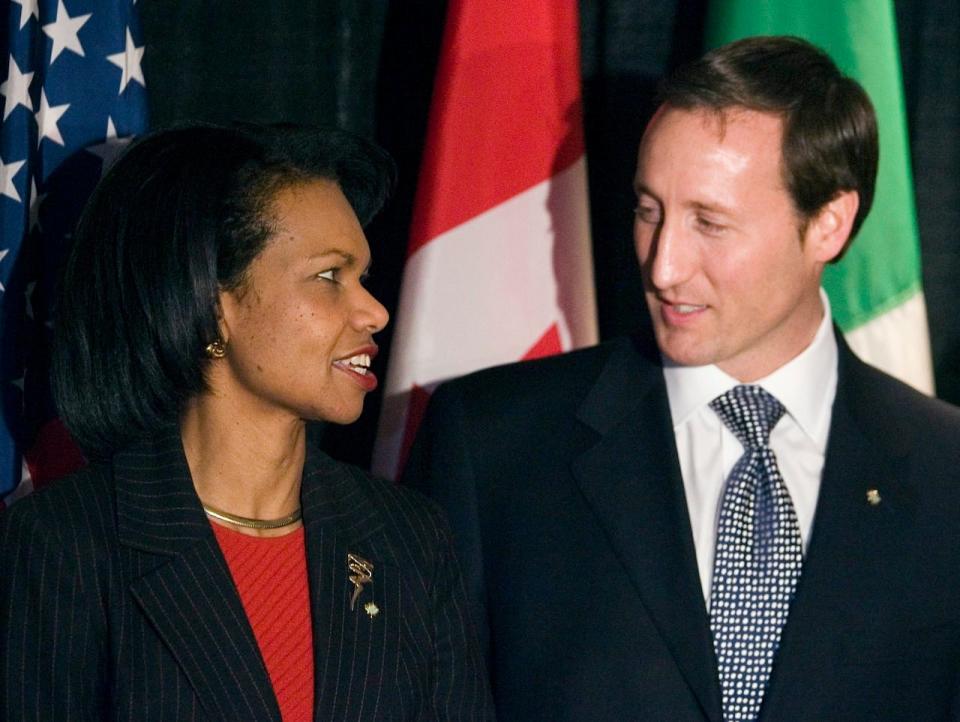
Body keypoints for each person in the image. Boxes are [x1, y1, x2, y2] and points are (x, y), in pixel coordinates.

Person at [404, 36, 960, 721]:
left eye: (710, 223)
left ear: (828, 225)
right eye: (648, 210)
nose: (662, 266)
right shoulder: (492, 444)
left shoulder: (946, 471)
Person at [0, 124, 493, 721]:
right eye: (330, 276)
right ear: (213, 305)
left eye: (362, 277)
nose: (375, 310)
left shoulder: (410, 541)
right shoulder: (62, 546)